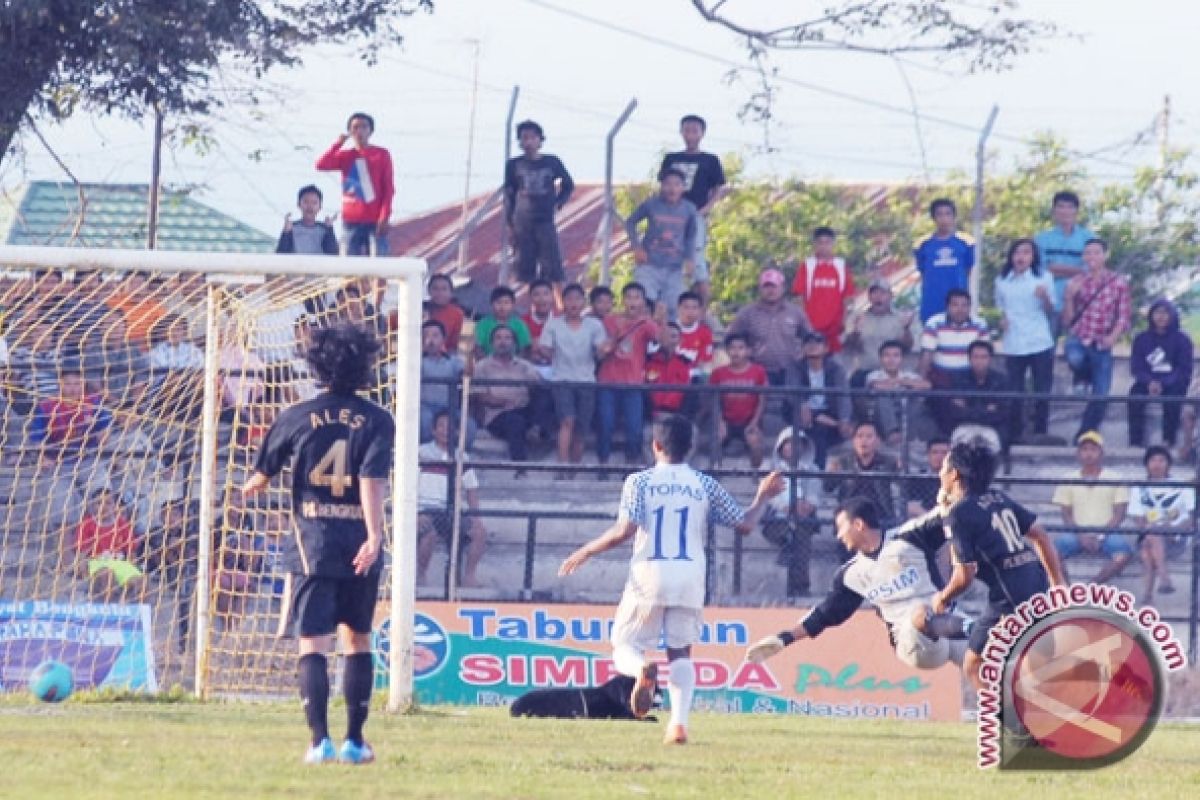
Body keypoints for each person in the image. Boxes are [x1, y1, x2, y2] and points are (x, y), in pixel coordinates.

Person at [558, 415, 783, 745]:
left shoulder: (640, 482)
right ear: (691, 447)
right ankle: (678, 725)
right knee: (680, 653)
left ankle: (641, 671)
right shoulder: (703, 484)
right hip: (691, 576)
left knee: (625, 645)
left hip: (649, 574)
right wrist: (762, 496)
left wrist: (585, 551)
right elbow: (745, 524)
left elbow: (624, 531)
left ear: (656, 445)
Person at [242, 323, 395, 765]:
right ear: (365, 364)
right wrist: (374, 536)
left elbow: (258, 477)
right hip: (358, 546)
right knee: (358, 640)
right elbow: (371, 479)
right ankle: (355, 741)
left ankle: (318, 743)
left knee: (312, 644)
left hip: (311, 545)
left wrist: (249, 488)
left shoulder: (296, 414)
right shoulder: (377, 419)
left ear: (317, 365)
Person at [746, 497, 972, 672]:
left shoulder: (908, 537)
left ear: (858, 524)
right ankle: (970, 627)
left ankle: (1005, 721)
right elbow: (823, 615)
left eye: (840, 527)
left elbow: (946, 517)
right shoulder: (851, 574)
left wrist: (950, 498)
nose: (838, 536)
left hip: (947, 623)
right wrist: (782, 639)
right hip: (912, 642)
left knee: (991, 668)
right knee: (922, 613)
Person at [929, 436, 1065, 691]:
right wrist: (1057, 583)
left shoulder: (958, 514)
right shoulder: (998, 498)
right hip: (1035, 578)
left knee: (975, 665)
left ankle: (1014, 721)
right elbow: (1040, 535)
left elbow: (965, 574)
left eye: (944, 468)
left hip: (1009, 593)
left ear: (955, 474)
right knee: (1029, 661)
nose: (940, 474)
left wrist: (943, 598)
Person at [1062, 238, 1131, 438]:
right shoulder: (1076, 281)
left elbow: (1123, 315)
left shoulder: (1118, 282)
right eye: (1088, 253)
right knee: (1074, 358)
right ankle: (1083, 376)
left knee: (1101, 395)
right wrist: (1068, 298)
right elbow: (1068, 320)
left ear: (1105, 255)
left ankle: (1086, 433)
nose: (1092, 257)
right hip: (1080, 337)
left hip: (1102, 342)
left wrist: (1113, 336)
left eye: (1096, 252)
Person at [538, 283, 610, 474]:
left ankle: (575, 467)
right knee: (567, 421)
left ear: (583, 302)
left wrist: (604, 349)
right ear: (563, 303)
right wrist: (544, 351)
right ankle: (562, 465)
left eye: (578, 299)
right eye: (569, 299)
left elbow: (600, 349)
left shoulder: (594, 325)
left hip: (586, 381)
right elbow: (544, 349)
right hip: (562, 379)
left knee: (582, 427)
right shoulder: (553, 325)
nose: (573, 303)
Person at [660, 114, 728, 305]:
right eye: (687, 130)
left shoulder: (710, 160)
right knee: (670, 261)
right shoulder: (672, 158)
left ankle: (702, 310)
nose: (690, 134)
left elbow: (718, 188)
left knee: (696, 263)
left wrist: (705, 209)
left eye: (694, 130)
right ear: (681, 132)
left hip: (695, 216)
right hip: (671, 217)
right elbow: (662, 186)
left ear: (702, 134)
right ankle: (673, 305)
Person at [417, 409, 488, 588]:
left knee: (479, 533)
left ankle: (469, 577)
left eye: (450, 427)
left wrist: (476, 517)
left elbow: (471, 489)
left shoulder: (461, 457)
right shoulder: (421, 453)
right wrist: (414, 513)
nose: (445, 430)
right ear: (433, 430)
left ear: (457, 431)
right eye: (440, 426)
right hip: (425, 509)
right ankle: (420, 576)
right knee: (429, 534)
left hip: (451, 511)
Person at [994, 238, 1055, 444]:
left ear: (1033, 256)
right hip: (1014, 342)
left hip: (1039, 340)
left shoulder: (1044, 278)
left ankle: (1040, 432)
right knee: (1014, 391)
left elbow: (1050, 310)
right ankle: (1015, 434)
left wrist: (1044, 297)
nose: (1021, 257)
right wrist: (1001, 321)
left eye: (1026, 253)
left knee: (1042, 390)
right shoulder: (1002, 281)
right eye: (1017, 253)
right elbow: (1001, 307)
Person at [1051, 430, 1132, 584]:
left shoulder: (1115, 478)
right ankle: (1067, 591)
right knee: (1050, 553)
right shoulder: (1068, 478)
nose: (1089, 454)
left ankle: (1092, 586)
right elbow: (1066, 514)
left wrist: (1100, 536)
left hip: (1107, 533)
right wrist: (1081, 536)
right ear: (1078, 453)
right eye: (1085, 449)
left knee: (1123, 554)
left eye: (1093, 449)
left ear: (1101, 453)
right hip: (1076, 533)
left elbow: (1119, 514)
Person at [504, 120, 574, 299]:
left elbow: (568, 184)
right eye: (524, 138)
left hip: (544, 220)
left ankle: (561, 307)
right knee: (526, 268)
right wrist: (510, 225)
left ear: (540, 140)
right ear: (520, 142)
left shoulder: (551, 162)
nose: (528, 142)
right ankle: (532, 306)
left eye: (532, 138)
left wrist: (559, 202)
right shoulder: (514, 165)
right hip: (522, 221)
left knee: (553, 268)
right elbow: (509, 195)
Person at [596, 283, 663, 467]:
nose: (632, 301)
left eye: (637, 297)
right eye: (629, 297)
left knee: (634, 428)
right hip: (607, 382)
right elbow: (599, 349)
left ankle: (631, 465)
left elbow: (661, 342)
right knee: (605, 424)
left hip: (633, 383)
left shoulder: (646, 324)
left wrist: (660, 320)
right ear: (623, 300)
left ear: (643, 302)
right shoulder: (609, 321)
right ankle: (603, 464)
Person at [316, 112, 395, 256]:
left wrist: (385, 216)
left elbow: (388, 188)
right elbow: (321, 164)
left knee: (380, 265)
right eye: (355, 127)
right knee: (349, 266)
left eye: (364, 127)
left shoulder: (381, 154)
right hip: (351, 220)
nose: (359, 131)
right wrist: (338, 143)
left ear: (370, 130)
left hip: (375, 220)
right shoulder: (346, 155)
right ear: (350, 131)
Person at [625, 167, 699, 319]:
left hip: (674, 267)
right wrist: (637, 248)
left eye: (677, 184)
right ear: (662, 186)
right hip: (649, 264)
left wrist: (690, 259)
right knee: (645, 303)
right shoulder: (651, 204)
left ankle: (669, 339)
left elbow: (691, 236)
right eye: (668, 184)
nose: (672, 188)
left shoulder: (689, 209)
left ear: (683, 187)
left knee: (674, 306)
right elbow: (630, 222)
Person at [760, 427, 822, 598]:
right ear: (781, 446)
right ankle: (797, 584)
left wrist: (807, 505)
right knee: (795, 535)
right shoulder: (769, 467)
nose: (792, 448)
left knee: (801, 534)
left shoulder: (812, 468)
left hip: (803, 518)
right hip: (776, 518)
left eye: (797, 444)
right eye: (788, 444)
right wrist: (787, 507)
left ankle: (800, 587)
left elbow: (815, 493)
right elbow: (767, 495)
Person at [1127, 445, 1193, 603]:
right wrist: (1157, 529)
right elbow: (1138, 518)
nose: (1157, 464)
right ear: (1146, 464)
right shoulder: (1139, 488)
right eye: (1153, 460)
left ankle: (1148, 595)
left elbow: (1191, 518)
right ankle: (1163, 579)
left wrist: (1173, 529)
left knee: (1148, 544)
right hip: (1150, 536)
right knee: (1150, 539)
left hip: (1177, 537)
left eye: (1161, 460)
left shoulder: (1182, 486)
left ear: (1168, 464)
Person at [471, 327, 544, 467]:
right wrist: (504, 402)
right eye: (498, 338)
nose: (503, 342)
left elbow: (537, 387)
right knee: (515, 421)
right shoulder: (482, 366)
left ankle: (541, 433)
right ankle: (520, 466)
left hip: (523, 409)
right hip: (497, 414)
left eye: (507, 338)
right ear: (492, 343)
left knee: (546, 396)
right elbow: (480, 395)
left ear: (514, 343)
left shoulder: (524, 366)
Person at [726, 268, 810, 388]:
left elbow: (810, 338)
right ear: (760, 289)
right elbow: (730, 339)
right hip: (757, 373)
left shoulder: (795, 312)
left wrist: (802, 357)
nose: (771, 290)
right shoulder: (747, 313)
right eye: (766, 286)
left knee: (792, 405)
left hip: (791, 373)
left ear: (783, 288)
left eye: (774, 286)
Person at [1128, 298, 1193, 448]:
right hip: (1147, 382)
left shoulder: (1182, 340)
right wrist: (1149, 382)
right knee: (1134, 395)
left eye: (1165, 312)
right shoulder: (1141, 339)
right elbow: (1137, 367)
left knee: (1174, 397)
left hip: (1173, 382)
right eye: (1157, 312)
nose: (1161, 316)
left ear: (1172, 315)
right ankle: (1135, 442)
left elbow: (1184, 369)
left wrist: (1163, 383)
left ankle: (1168, 440)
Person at [824, 421, 900, 545]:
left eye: (869, 436)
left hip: (879, 513)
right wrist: (831, 474)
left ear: (878, 441)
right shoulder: (843, 462)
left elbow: (906, 487)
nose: (864, 441)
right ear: (853, 440)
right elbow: (828, 487)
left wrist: (900, 469)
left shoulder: (888, 462)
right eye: (859, 436)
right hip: (850, 513)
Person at [72, 487, 144, 602]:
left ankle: (134, 611)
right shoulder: (86, 524)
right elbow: (82, 552)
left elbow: (131, 551)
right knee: (107, 575)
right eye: (98, 503)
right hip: (97, 562)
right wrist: (83, 571)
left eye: (108, 503)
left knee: (141, 581)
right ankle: (107, 610)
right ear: (92, 506)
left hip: (119, 562)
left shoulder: (122, 524)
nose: (103, 507)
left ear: (115, 506)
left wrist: (132, 569)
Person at [792, 331, 852, 467]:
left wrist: (844, 419)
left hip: (828, 412)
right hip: (802, 413)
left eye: (818, 343)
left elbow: (843, 394)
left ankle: (818, 470)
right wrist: (803, 405)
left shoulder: (836, 369)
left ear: (826, 348)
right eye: (808, 343)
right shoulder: (795, 367)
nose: (812, 346)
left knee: (821, 430)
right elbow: (792, 390)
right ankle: (818, 470)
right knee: (816, 429)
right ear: (802, 348)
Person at [791, 226, 855, 353]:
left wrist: (844, 321)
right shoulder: (807, 266)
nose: (824, 246)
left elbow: (848, 297)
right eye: (820, 242)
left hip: (834, 330)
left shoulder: (841, 265)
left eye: (827, 242)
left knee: (833, 366)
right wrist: (804, 324)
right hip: (811, 328)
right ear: (815, 244)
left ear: (833, 244)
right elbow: (799, 297)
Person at [708, 333, 768, 468]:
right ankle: (716, 472)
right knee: (716, 437)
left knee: (755, 441)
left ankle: (756, 474)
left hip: (749, 420)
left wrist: (754, 423)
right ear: (727, 351)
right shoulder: (718, 373)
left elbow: (762, 400)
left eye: (741, 348)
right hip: (726, 420)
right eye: (732, 348)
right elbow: (713, 401)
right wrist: (720, 421)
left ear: (748, 351)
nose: (736, 352)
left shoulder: (758, 372)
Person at [1035, 190, 1095, 323]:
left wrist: (1056, 269)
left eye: (1070, 207)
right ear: (1054, 210)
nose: (1065, 211)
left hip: (1081, 302)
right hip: (1049, 301)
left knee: (1077, 343)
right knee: (1047, 343)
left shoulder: (1089, 238)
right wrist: (1078, 271)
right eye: (1061, 206)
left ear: (1076, 211)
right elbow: (1042, 270)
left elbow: (1092, 269)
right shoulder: (1042, 239)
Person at [842, 277, 915, 387]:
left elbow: (908, 347)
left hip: (893, 374)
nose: (878, 297)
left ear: (890, 296)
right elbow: (849, 347)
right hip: (865, 371)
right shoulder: (857, 318)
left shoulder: (902, 318)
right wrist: (856, 332)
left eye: (882, 293)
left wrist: (906, 329)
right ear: (869, 297)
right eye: (874, 293)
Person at [914, 199, 974, 324]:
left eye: (948, 214)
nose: (944, 219)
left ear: (954, 217)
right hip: (932, 304)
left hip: (958, 307)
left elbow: (968, 271)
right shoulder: (922, 245)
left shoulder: (966, 243)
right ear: (933, 218)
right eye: (939, 214)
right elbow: (923, 272)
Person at [866, 340, 931, 447]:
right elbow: (878, 386)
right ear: (880, 359)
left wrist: (900, 381)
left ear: (902, 359)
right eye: (886, 356)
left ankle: (908, 437)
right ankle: (892, 432)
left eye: (896, 356)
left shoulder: (909, 375)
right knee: (883, 396)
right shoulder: (874, 375)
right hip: (880, 419)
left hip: (905, 413)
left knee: (915, 401)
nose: (891, 360)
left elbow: (927, 386)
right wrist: (908, 386)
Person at [943, 341, 1009, 446]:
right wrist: (986, 410)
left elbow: (1002, 413)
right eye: (976, 357)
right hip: (963, 427)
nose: (979, 361)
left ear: (990, 359)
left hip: (991, 428)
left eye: (984, 357)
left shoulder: (1001, 381)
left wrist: (968, 410)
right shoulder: (958, 379)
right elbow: (955, 411)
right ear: (969, 359)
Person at [419, 320, 473, 447]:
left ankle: (462, 459)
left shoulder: (453, 361)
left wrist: (471, 355)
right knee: (425, 421)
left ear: (443, 339)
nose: (430, 340)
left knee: (469, 426)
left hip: (449, 407)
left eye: (435, 336)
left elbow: (467, 374)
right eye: (426, 336)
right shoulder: (417, 361)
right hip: (425, 407)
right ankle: (428, 457)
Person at [276, 185, 339, 255]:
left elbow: (333, 254)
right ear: (299, 205)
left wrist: (330, 229)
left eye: (314, 203)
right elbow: (280, 254)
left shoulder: (324, 229)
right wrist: (286, 233)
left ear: (320, 207)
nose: (310, 206)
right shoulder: (292, 228)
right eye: (306, 202)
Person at [645, 324, 692, 417]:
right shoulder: (648, 360)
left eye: (673, 336)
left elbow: (686, 392)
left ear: (680, 340)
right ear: (659, 338)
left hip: (675, 416)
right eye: (665, 336)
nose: (669, 340)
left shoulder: (685, 363)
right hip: (650, 415)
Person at [474, 286, 533, 358]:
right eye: (498, 302)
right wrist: (487, 363)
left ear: (513, 305)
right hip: (489, 364)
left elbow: (525, 348)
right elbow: (478, 347)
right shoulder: (483, 324)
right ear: (491, 304)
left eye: (506, 303)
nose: (502, 307)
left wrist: (516, 364)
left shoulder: (519, 324)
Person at [905, 437, 950, 519]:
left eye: (944, 453)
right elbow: (911, 506)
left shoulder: (957, 479)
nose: (939, 456)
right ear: (928, 455)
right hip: (924, 521)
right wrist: (930, 519)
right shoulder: (918, 478)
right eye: (935, 452)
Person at [425, 274, 465, 354]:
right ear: (429, 291)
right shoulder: (419, 309)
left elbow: (453, 345)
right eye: (435, 289)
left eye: (444, 289)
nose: (440, 293)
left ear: (451, 292)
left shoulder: (457, 314)